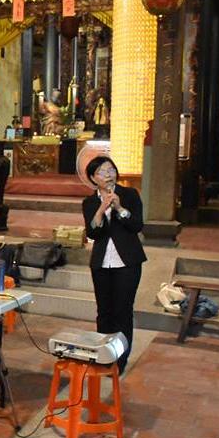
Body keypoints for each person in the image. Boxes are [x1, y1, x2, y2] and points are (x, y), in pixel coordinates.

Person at [82, 157, 146, 374]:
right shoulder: (89, 202)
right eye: (102, 171)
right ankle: (104, 356)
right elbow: (93, 233)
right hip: (101, 263)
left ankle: (120, 359)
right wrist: (101, 209)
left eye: (111, 170)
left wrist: (119, 208)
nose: (108, 174)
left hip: (127, 262)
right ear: (93, 178)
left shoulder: (130, 194)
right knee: (104, 312)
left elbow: (136, 225)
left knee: (123, 311)